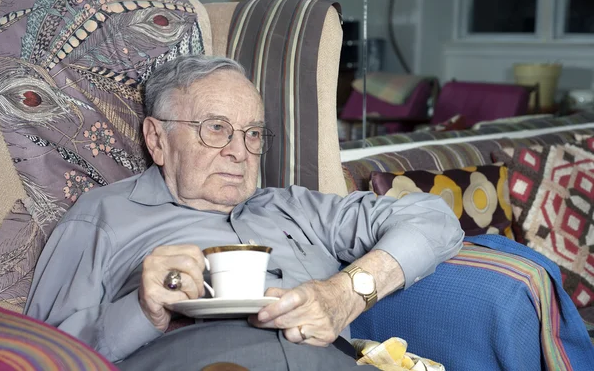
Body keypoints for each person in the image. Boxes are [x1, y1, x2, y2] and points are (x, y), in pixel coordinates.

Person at [25, 55, 464, 371]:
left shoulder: (294, 207)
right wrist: (143, 311)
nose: (239, 151)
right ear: (157, 139)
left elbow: (436, 220)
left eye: (253, 133)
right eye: (216, 128)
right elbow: (40, 352)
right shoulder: (104, 215)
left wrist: (345, 293)